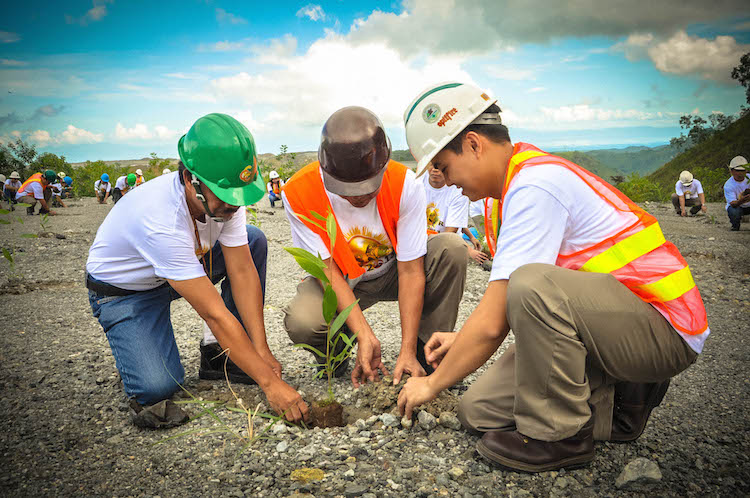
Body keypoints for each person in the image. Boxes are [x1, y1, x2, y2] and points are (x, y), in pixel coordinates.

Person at [397, 82, 709, 472]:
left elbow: (503, 314)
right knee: (478, 412)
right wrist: (463, 341)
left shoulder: (535, 185)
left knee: (531, 284)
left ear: (474, 145)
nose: (445, 178)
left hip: (663, 328)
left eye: (443, 165)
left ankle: (561, 436)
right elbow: (516, 309)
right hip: (606, 325)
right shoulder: (510, 189)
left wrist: (431, 383)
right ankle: (621, 406)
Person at [86, 113, 308, 427]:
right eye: (226, 195)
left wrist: (262, 351)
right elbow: (213, 312)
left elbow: (242, 271)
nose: (235, 205)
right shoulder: (161, 219)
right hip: (125, 293)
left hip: (179, 267)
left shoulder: (226, 198)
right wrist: (270, 385)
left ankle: (218, 355)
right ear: (193, 179)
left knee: (252, 240)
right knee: (159, 387)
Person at [281, 106, 467, 387]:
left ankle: (425, 354)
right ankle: (336, 353)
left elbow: (411, 271)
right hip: (342, 278)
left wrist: (404, 349)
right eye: (348, 189)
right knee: (303, 320)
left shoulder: (405, 183)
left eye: (369, 186)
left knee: (451, 248)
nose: (360, 196)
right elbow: (326, 272)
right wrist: (364, 335)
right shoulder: (298, 193)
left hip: (395, 271)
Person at [422, 164, 488, 265]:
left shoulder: (458, 192)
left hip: (443, 242)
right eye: (432, 164)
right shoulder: (416, 183)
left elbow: (452, 229)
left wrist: (469, 248)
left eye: (439, 164)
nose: (435, 169)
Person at [724, 156, 750, 231]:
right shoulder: (729, 185)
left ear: (746, 171)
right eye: (737, 171)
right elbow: (733, 203)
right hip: (738, 206)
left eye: (742, 171)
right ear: (731, 171)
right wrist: (742, 200)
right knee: (733, 210)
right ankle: (735, 225)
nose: (740, 173)